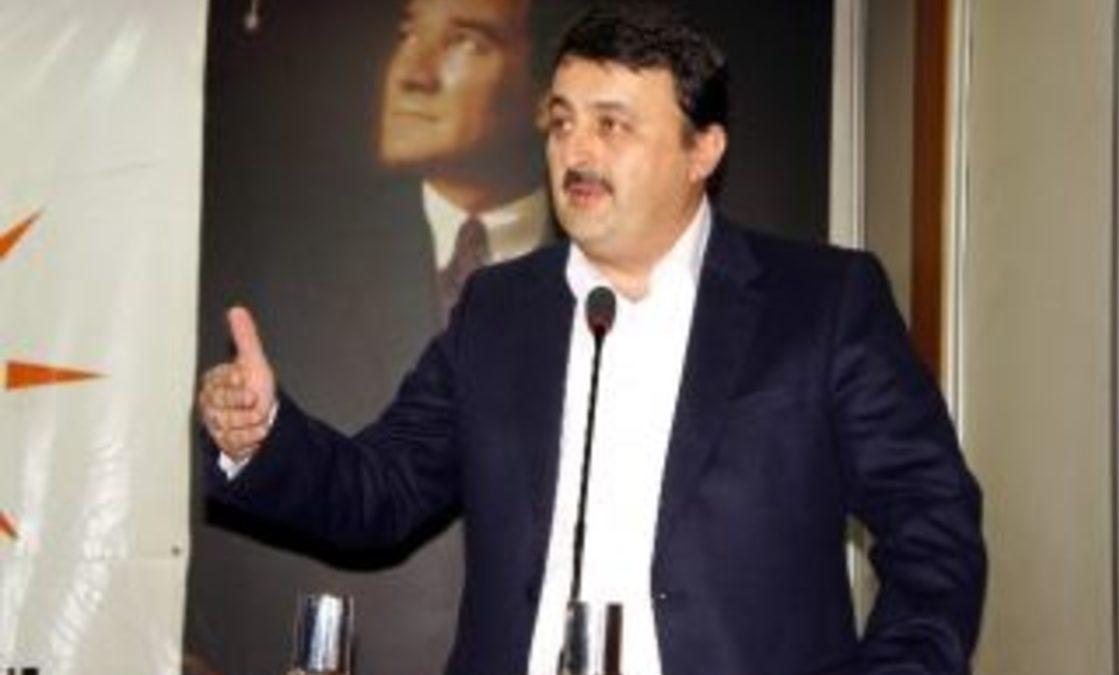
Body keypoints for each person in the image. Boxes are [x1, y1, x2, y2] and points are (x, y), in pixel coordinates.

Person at [197, 5, 986, 674]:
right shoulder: (499, 307)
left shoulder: (821, 303)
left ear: (703, 150)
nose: (576, 152)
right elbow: (381, 490)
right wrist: (260, 437)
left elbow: (935, 527)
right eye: (563, 121)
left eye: (613, 125)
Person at [377, 0, 582, 318]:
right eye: (409, 34)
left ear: (548, 100)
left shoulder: (612, 268)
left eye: (466, 42)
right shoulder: (321, 249)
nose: (412, 76)